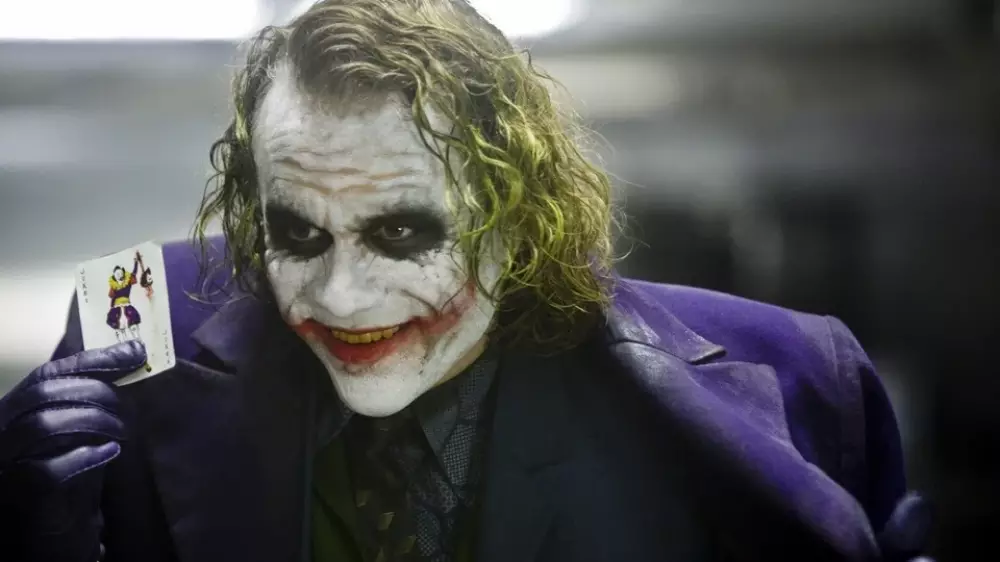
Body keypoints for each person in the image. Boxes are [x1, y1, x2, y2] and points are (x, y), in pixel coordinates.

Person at [0, 1, 933, 561]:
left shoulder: (800, 377)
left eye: (402, 232)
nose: (341, 296)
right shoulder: (138, 318)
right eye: (297, 233)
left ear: (518, 214)